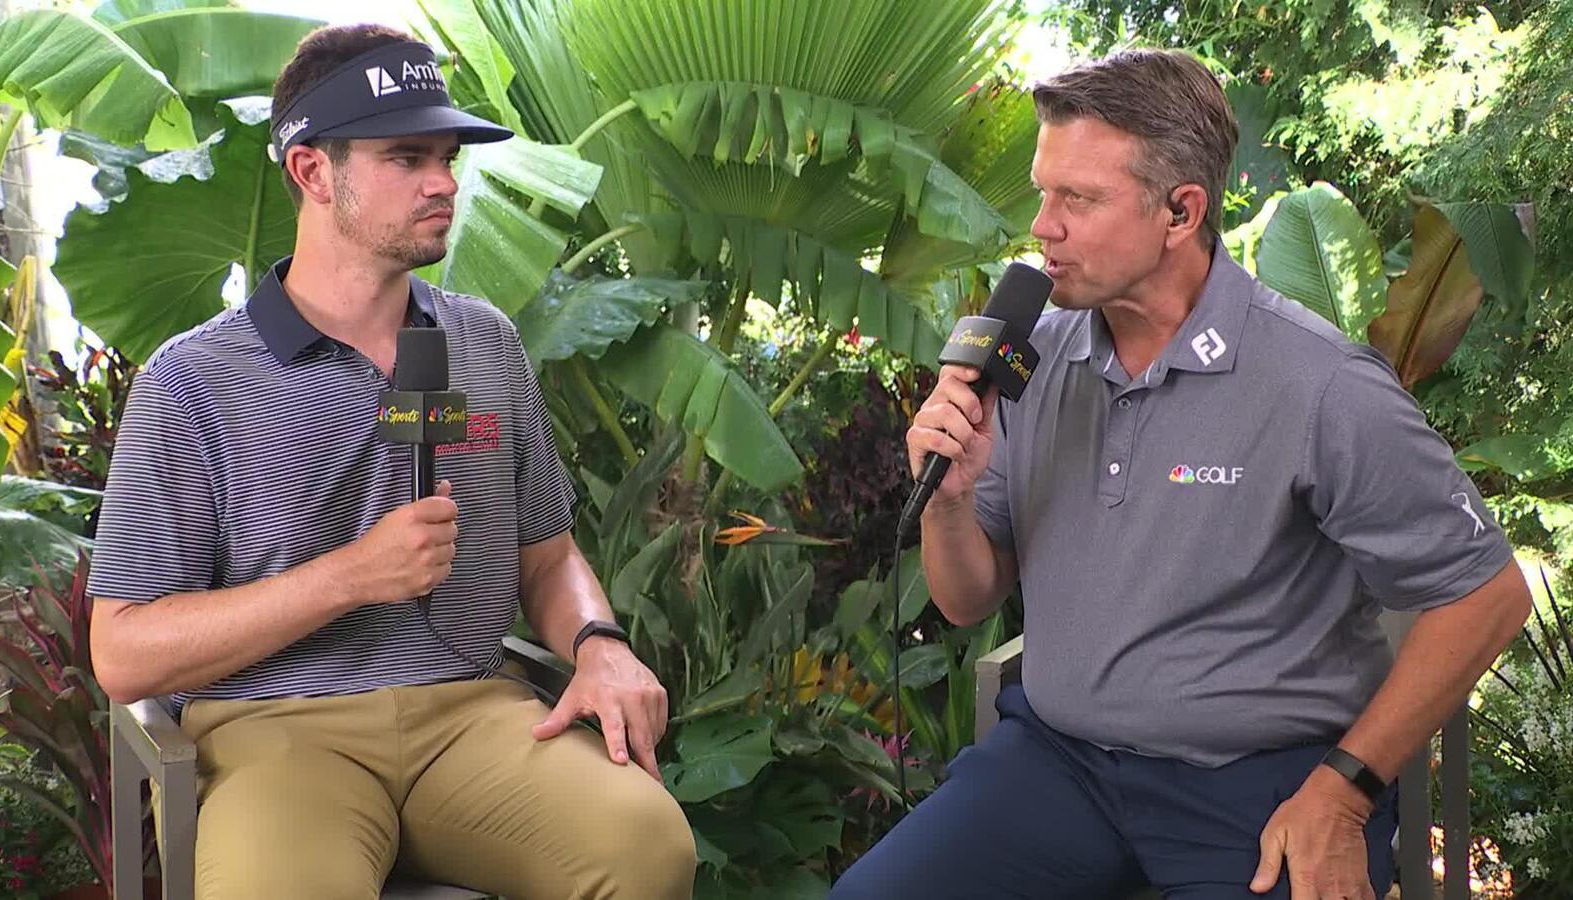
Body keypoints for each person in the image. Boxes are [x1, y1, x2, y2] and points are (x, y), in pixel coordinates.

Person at [832, 48, 1531, 900]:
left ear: (1180, 211)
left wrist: (1345, 790)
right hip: (1058, 767)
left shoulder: (1319, 383)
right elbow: (966, 599)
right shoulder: (1031, 357)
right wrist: (945, 501)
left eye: (1077, 200)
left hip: (1258, 784)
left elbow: (1487, 595)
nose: (1041, 226)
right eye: (1042, 191)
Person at [87, 25, 695, 900]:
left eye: (446, 156)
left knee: (647, 850)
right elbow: (124, 651)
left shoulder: (486, 344)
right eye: (406, 157)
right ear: (310, 171)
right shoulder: (193, 381)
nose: (443, 182)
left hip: (474, 718)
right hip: (278, 733)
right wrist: (349, 577)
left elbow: (549, 556)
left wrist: (599, 644)